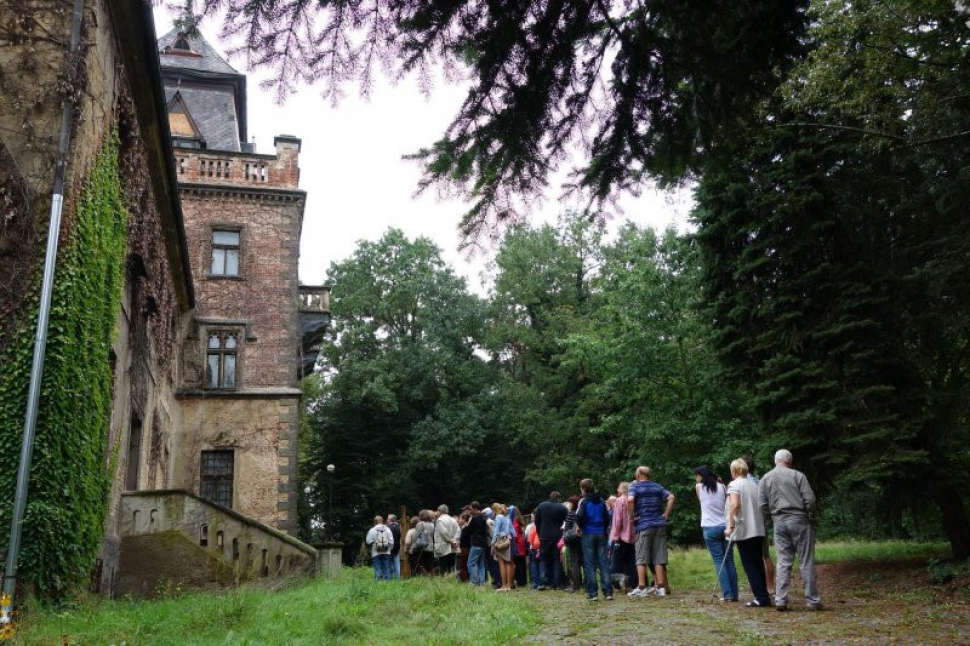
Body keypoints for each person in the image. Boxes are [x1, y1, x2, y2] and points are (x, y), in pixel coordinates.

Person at [759, 449, 821, 611]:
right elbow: (810, 499)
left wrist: (770, 520)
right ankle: (812, 601)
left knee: (783, 562)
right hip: (800, 520)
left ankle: (781, 600)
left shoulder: (766, 478)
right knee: (806, 561)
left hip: (779, 522)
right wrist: (811, 516)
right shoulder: (798, 476)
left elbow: (762, 504)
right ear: (790, 461)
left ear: (775, 461)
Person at [726, 459, 771, 608]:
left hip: (744, 529)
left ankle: (760, 597)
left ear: (734, 471)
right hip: (758, 529)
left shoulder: (734, 485)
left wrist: (730, 525)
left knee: (750, 565)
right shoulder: (754, 484)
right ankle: (763, 595)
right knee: (758, 563)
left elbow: (735, 504)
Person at [627, 466, 675, 597]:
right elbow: (671, 497)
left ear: (638, 475)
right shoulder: (657, 487)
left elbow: (630, 500)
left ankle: (641, 587)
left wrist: (631, 518)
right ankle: (661, 587)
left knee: (641, 558)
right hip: (659, 525)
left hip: (644, 524)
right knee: (658, 558)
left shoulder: (635, 487)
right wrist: (666, 514)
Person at [694, 466, 738, 602]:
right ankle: (734, 594)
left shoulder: (699, 487)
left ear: (701, 476)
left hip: (709, 527)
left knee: (719, 561)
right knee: (729, 560)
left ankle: (727, 595)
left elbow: (701, 500)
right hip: (724, 525)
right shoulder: (723, 486)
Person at [576, 478, 613, 601]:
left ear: (584, 489)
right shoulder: (602, 501)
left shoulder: (585, 502)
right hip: (601, 533)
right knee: (603, 563)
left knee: (590, 563)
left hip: (588, 533)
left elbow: (579, 516)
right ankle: (608, 592)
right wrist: (603, 527)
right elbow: (607, 517)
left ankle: (593, 593)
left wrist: (581, 527)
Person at [744, 455, 776, 594]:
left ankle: (767, 587)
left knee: (760, 556)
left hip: (753, 523)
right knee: (765, 555)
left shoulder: (747, 482)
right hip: (761, 521)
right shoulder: (758, 481)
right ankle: (769, 586)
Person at [534, 491, 568, 590]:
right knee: (556, 559)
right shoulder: (562, 507)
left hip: (544, 536)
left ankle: (543, 582)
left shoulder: (541, 506)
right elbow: (568, 521)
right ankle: (556, 582)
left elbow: (537, 521)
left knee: (543, 559)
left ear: (550, 496)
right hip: (557, 536)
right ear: (559, 498)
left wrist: (540, 533)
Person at [610, 481, 638, 591]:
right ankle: (634, 584)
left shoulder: (620, 501)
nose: (617, 490)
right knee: (632, 562)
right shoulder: (634, 500)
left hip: (621, 536)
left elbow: (618, 521)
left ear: (623, 489)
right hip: (633, 536)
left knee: (615, 563)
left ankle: (615, 584)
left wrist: (615, 536)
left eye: (619, 487)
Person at [490, 503, 515, 591]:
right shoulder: (506, 518)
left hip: (500, 541)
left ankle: (504, 586)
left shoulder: (498, 517)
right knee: (508, 563)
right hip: (508, 541)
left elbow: (496, 532)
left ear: (494, 510)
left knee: (501, 564)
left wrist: (493, 544)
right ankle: (508, 585)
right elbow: (513, 532)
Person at [562, 497, 584, 592]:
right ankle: (587, 583)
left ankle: (576, 585)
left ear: (573, 503)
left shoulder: (570, 513)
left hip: (573, 541)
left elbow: (566, 528)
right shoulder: (581, 513)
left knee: (574, 563)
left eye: (570, 502)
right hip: (582, 540)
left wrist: (566, 537)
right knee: (584, 562)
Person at [466, 501, 490, 586]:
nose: (470, 511)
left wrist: (468, 524)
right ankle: (482, 583)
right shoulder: (484, 517)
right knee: (481, 564)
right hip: (484, 543)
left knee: (470, 564)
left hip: (476, 543)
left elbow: (469, 530)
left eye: (471, 509)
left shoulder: (475, 518)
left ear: (475, 508)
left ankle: (475, 581)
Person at [434, 504, 461, 575]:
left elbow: (444, 533)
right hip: (453, 547)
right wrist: (454, 541)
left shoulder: (440, 520)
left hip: (443, 547)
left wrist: (451, 542)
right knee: (451, 567)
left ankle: (444, 582)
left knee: (443, 567)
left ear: (439, 511)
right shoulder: (453, 520)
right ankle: (451, 581)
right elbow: (458, 531)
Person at [365, 516, 394, 581]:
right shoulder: (388, 529)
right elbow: (391, 541)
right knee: (386, 567)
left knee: (377, 568)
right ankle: (387, 581)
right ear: (382, 521)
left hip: (376, 552)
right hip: (386, 551)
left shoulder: (372, 530)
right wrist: (390, 549)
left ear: (375, 522)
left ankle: (378, 581)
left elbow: (368, 541)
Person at [509, 505, 529, 588]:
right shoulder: (519, 519)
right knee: (521, 563)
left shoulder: (514, 521)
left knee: (518, 563)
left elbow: (515, 535)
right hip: (521, 543)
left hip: (517, 544)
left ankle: (520, 581)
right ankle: (522, 581)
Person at [414, 510, 436, 575]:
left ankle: (422, 577)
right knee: (429, 565)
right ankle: (430, 578)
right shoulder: (432, 524)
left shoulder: (420, 524)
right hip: (431, 547)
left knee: (422, 564)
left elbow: (416, 536)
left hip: (422, 547)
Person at [525, 514, 541, 589]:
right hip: (542, 547)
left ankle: (535, 583)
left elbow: (529, 539)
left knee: (534, 565)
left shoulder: (532, 527)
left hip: (533, 548)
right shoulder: (543, 525)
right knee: (541, 565)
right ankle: (542, 582)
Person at [387, 514, 402, 580]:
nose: (387, 520)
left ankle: (390, 579)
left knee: (389, 565)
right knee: (397, 565)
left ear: (390, 520)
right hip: (397, 548)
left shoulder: (388, 528)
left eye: (387, 518)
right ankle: (397, 579)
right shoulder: (399, 527)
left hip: (389, 548)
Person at [457, 512, 472, 582]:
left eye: (459, 518)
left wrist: (459, 545)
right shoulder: (467, 528)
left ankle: (464, 578)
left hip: (465, 549)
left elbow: (463, 540)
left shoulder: (466, 528)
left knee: (463, 563)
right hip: (467, 548)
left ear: (464, 519)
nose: (458, 520)